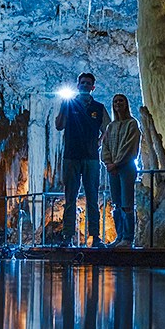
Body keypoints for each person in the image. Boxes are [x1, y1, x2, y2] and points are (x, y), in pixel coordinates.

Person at [55, 72, 109, 246]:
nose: (85, 86)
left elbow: (108, 129)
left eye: (88, 84)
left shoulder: (99, 108)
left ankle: (95, 237)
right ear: (78, 86)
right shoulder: (69, 104)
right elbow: (59, 126)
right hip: (71, 156)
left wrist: (98, 143)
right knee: (70, 197)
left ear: (93, 88)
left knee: (92, 197)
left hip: (91, 157)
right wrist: (64, 106)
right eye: (82, 83)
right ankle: (68, 236)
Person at [100, 94, 141, 247]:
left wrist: (116, 163)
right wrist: (108, 162)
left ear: (126, 104)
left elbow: (130, 146)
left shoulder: (132, 124)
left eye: (121, 101)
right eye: (115, 101)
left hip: (126, 167)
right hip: (113, 169)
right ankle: (120, 236)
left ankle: (128, 238)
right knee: (117, 203)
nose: (118, 103)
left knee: (127, 203)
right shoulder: (111, 126)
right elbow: (105, 146)